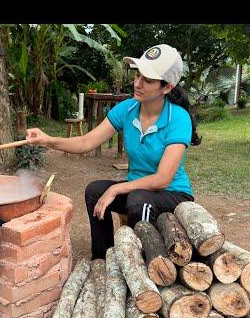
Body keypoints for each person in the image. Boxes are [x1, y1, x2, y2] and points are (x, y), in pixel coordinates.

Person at [26, 44, 200, 259]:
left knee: (138, 200)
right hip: (137, 191)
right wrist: (47, 140)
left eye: (148, 80)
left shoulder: (178, 118)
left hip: (172, 194)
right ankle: (102, 258)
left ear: (167, 88)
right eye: (137, 75)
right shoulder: (127, 109)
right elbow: (86, 142)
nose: (138, 83)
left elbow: (163, 179)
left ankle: (144, 264)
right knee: (95, 190)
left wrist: (117, 189)